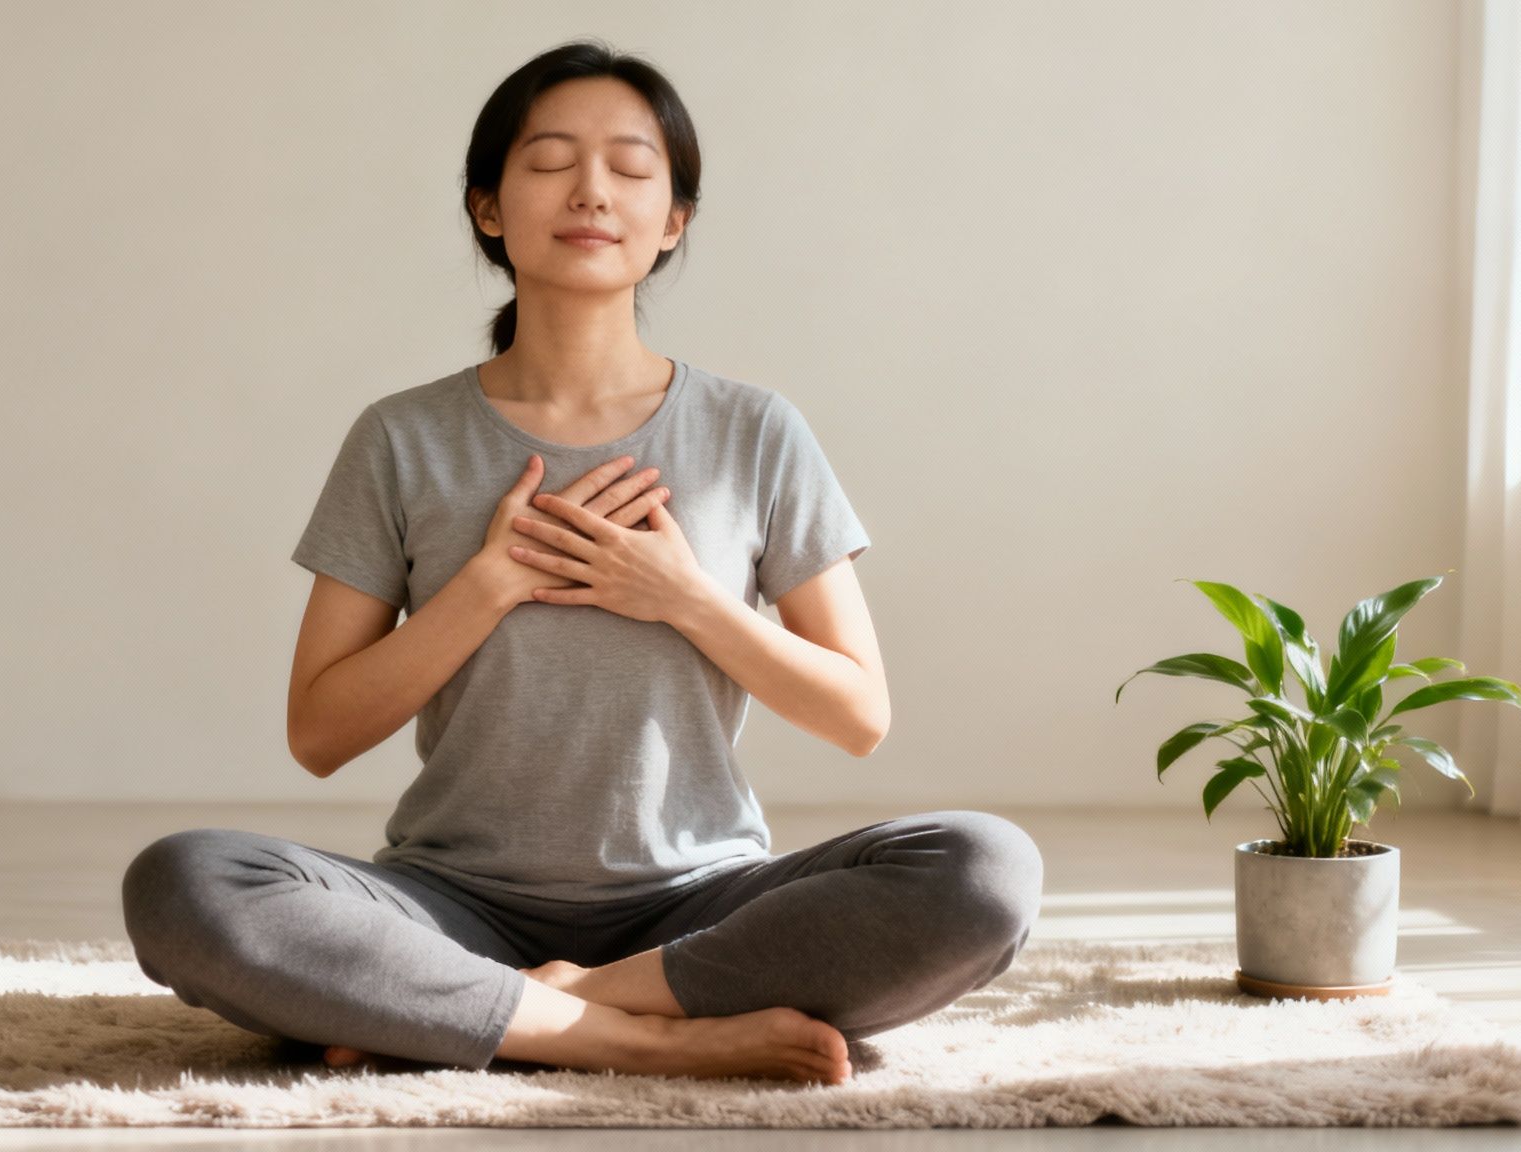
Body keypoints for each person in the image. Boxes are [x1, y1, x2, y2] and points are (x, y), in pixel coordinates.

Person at [121, 39, 1042, 1087]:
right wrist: (488, 583)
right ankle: (637, 1039)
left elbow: (856, 713)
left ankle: (510, 1012)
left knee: (983, 871)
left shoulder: (753, 431)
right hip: (446, 907)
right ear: (487, 208)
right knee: (184, 882)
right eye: (550, 160)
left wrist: (687, 599)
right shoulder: (400, 437)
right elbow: (319, 733)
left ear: (672, 221)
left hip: (698, 913)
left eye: (630, 168)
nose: (591, 190)